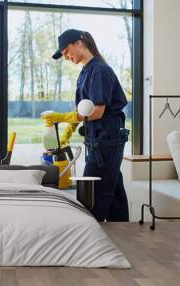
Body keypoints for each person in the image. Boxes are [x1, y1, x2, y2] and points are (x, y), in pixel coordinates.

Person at [42, 29, 129, 222]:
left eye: (66, 51)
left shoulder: (99, 70)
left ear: (79, 43)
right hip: (97, 140)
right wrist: (68, 131)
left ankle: (90, 238)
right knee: (114, 192)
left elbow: (96, 111)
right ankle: (125, 235)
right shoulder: (86, 71)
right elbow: (82, 109)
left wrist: (61, 117)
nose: (66, 57)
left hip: (106, 141)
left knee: (93, 194)